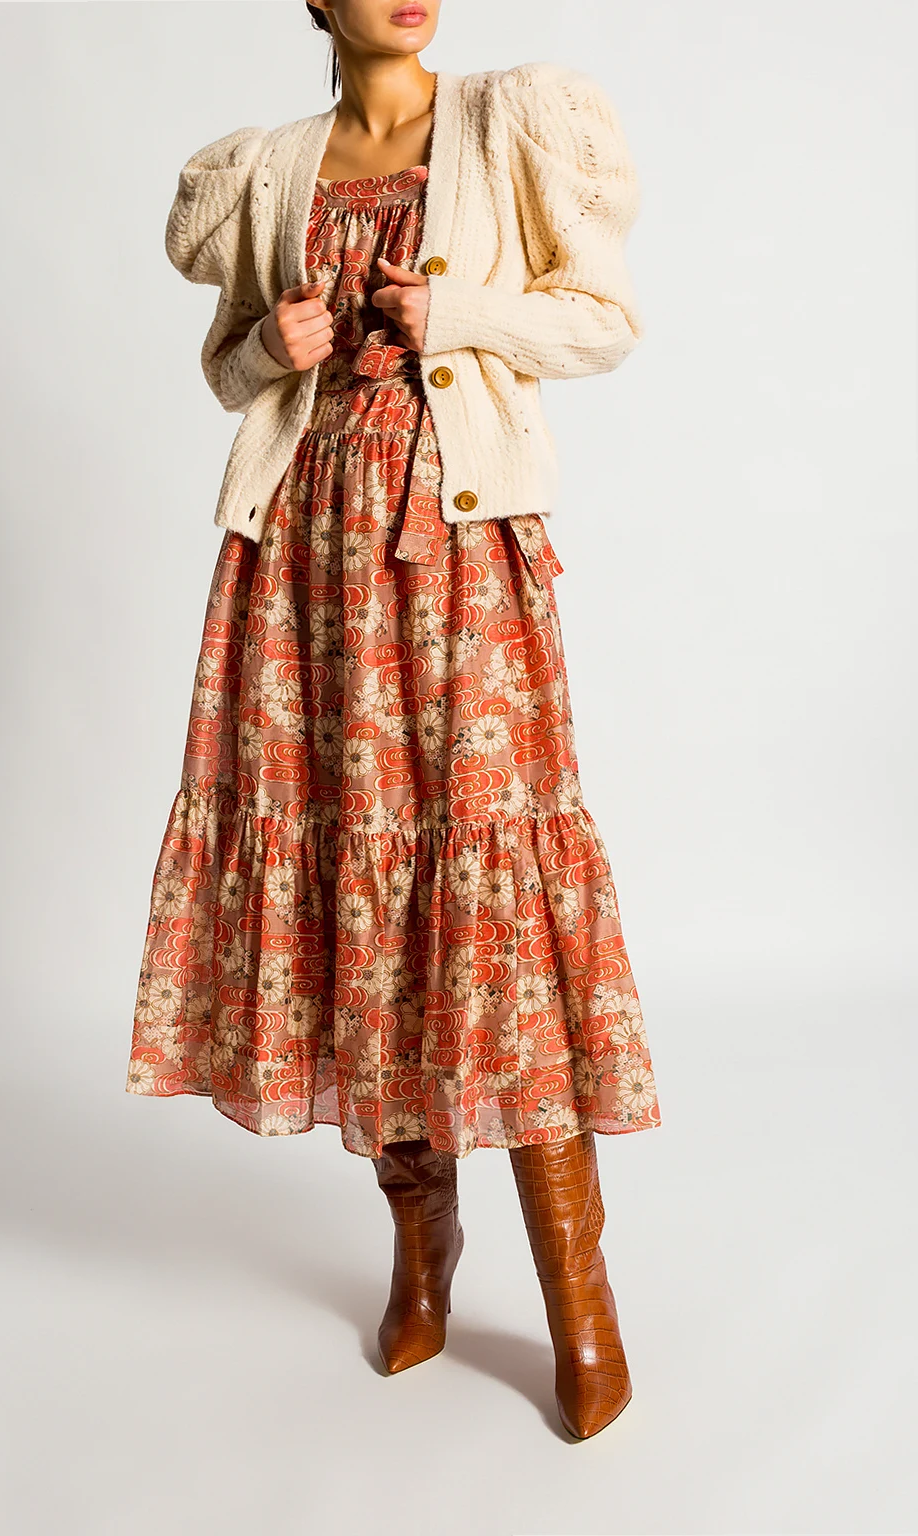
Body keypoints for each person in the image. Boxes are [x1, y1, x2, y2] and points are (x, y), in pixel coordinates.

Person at [127, 0, 660, 1441]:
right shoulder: (270, 166)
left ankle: (580, 1299)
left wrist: (459, 314)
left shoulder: (510, 120)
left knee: (496, 900)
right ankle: (424, 1248)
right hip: (303, 560)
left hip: (459, 551)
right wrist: (271, 347)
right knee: (358, 901)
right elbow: (228, 369)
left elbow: (605, 322)